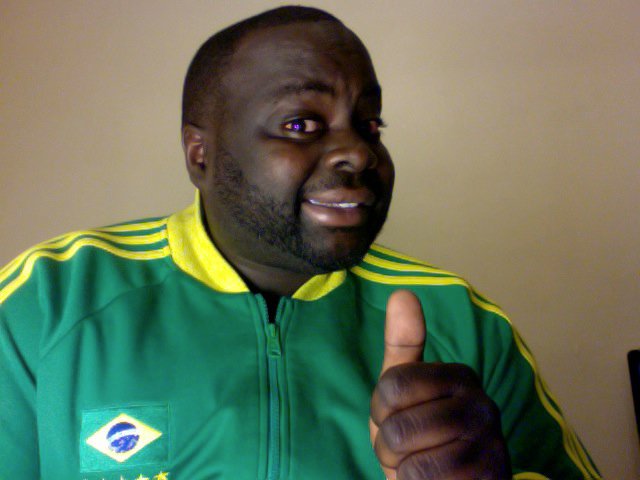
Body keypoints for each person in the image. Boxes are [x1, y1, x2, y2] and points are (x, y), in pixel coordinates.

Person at [0, 6, 600, 480]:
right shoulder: (46, 305)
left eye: (370, 124)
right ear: (200, 154)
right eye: (300, 124)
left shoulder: (462, 322)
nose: (359, 152)